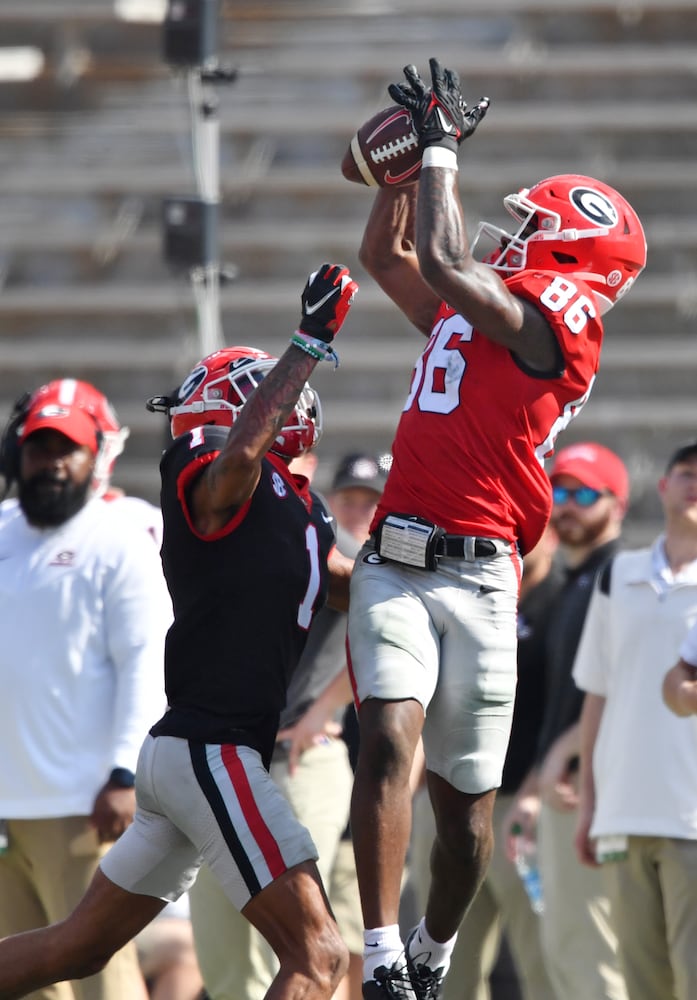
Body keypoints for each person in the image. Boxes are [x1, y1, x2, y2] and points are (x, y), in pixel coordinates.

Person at [343, 54, 646, 1000]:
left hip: (481, 577)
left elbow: (439, 259)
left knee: (465, 822)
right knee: (390, 740)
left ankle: (432, 949)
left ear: (573, 256)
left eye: (530, 229)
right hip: (394, 557)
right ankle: (383, 951)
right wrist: (399, 174)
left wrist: (436, 152)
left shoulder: (560, 328)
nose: (508, 236)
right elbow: (391, 258)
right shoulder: (489, 309)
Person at [0, 262, 358, 1000]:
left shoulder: (301, 504)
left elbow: (347, 584)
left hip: (194, 753)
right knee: (318, 953)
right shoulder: (202, 464)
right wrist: (308, 344)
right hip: (211, 750)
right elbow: (234, 465)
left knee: (77, 947)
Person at [188, 450, 385, 1000]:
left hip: (296, 760)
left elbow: (394, 619)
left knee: (287, 945)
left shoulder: (316, 532)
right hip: (223, 763)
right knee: (223, 953)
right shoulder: (231, 527)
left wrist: (327, 705)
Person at [0, 378, 173, 1000]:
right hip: (7, 808)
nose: (49, 464)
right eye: (38, 448)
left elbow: (144, 663)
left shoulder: (119, 542)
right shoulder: (0, 531)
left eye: (64, 450)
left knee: (104, 977)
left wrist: (126, 774)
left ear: (94, 457)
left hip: (86, 805)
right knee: (22, 982)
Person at [407, 525, 561, 1000]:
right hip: (447, 802)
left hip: (522, 804)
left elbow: (568, 709)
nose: (519, 539)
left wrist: (537, 791)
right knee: (444, 970)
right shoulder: (464, 585)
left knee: (544, 966)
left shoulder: (565, 598)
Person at [505, 442, 630, 1000]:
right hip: (559, 792)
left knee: (589, 957)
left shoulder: (619, 577)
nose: (568, 505)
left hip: (592, 790)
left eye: (584, 494)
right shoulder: (575, 586)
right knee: (564, 953)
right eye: (559, 491)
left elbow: (627, 690)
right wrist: (537, 782)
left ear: (618, 505)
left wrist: (567, 755)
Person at [573, 439, 697, 1000]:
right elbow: (597, 693)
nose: (695, 484)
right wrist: (590, 804)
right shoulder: (617, 573)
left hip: (692, 818)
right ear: (662, 487)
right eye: (686, 473)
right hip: (623, 810)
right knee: (644, 984)